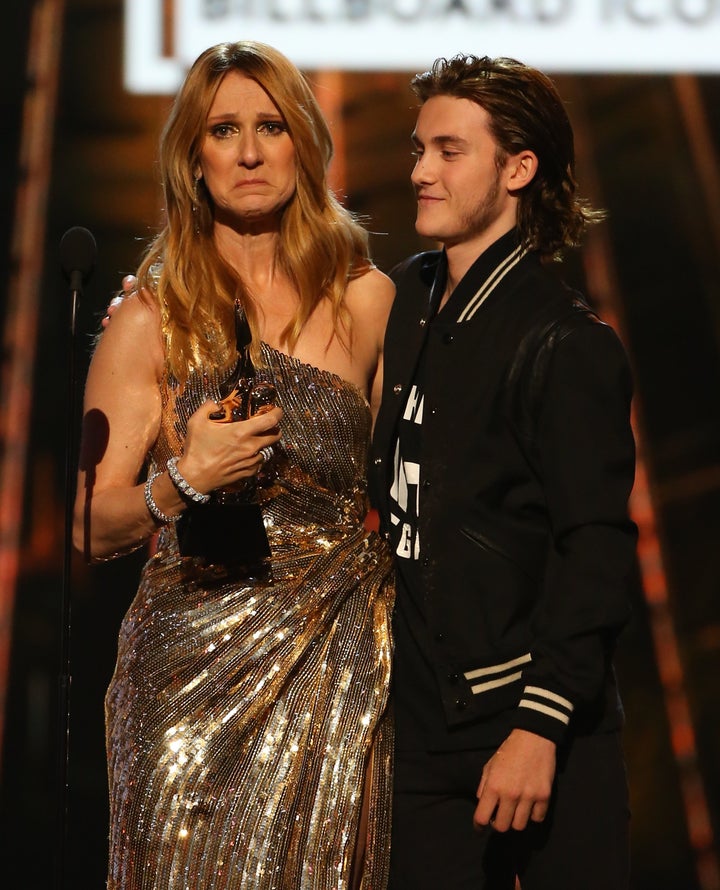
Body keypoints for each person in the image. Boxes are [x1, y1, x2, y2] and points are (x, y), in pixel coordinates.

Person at [74, 40, 396, 889]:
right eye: (223, 130)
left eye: (270, 126)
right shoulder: (149, 319)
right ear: (194, 158)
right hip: (186, 684)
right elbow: (91, 524)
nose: (250, 152)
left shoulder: (367, 300)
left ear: (303, 144)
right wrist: (184, 481)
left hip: (339, 669)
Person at [369, 55, 637, 889]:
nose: (420, 171)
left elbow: (595, 552)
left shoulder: (566, 344)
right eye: (419, 149)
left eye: (450, 151)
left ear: (518, 169)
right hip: (416, 733)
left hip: (535, 732)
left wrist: (539, 728)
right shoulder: (400, 299)